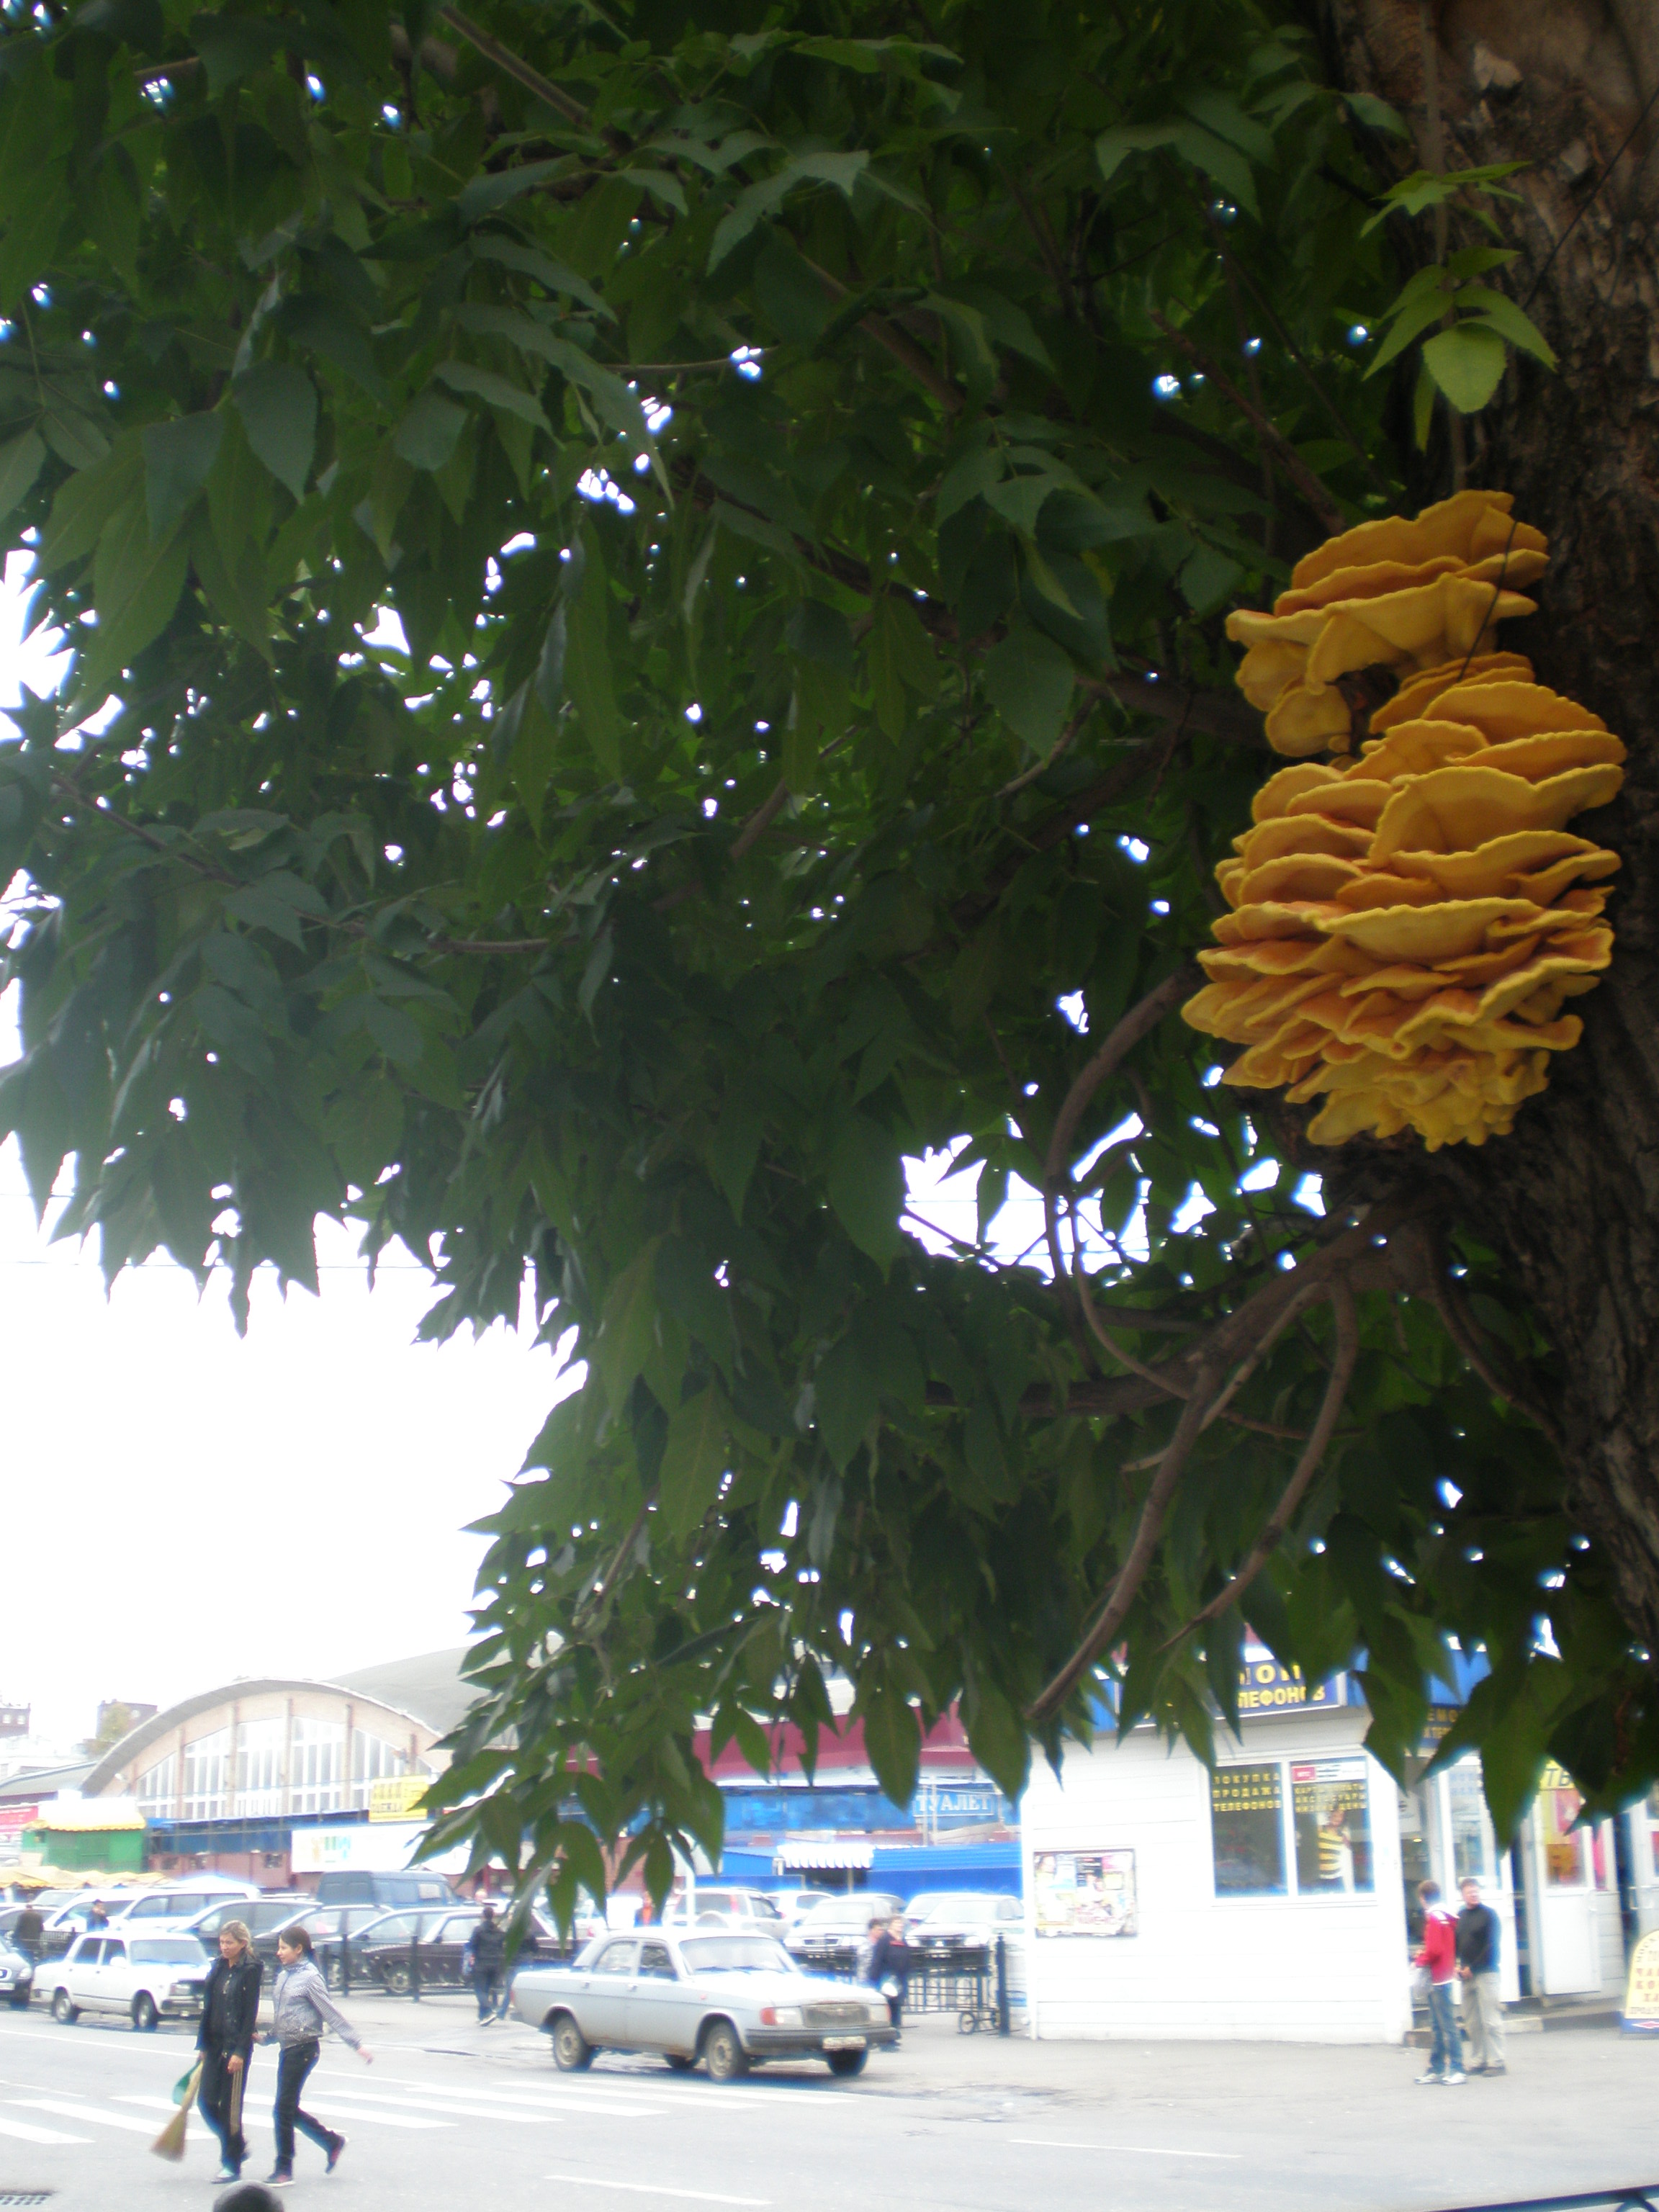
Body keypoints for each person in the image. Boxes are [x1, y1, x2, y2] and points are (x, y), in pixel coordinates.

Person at [258, 1923, 372, 2188]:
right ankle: (332, 2142)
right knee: (288, 2109)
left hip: (304, 2049)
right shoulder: (283, 1976)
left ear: (298, 1949)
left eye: (283, 1948)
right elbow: (283, 2017)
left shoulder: (310, 1978)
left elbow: (330, 2012)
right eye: (278, 1948)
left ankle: (284, 2168)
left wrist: (356, 2044)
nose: (278, 1953)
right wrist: (266, 2038)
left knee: (282, 2109)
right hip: (288, 2049)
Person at [197, 1920, 263, 2180]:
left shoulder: (251, 1969)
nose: (224, 1947)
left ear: (242, 1944)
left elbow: (249, 2014)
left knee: (230, 2109)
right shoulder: (218, 1967)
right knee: (206, 2102)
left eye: (229, 1943)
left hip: (235, 2047)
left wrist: (240, 2052)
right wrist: (202, 2044)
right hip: (214, 2044)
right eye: (222, 1942)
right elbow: (209, 2007)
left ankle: (231, 2164)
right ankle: (237, 2145)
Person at [1413, 1880, 1466, 2085]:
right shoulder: (1446, 1917)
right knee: (1442, 2025)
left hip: (1437, 1978)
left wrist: (1419, 1960)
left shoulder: (1434, 1918)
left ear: (1423, 1898)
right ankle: (1439, 2067)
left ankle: (1455, 2068)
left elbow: (1434, 1950)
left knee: (1443, 2026)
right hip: (1445, 1975)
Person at [1456, 1876, 1506, 2075]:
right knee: (1472, 2022)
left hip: (1486, 1973)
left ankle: (1497, 2062)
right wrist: (1456, 1966)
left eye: (1476, 1891)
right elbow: (1455, 1944)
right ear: (1463, 1895)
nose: (1474, 1894)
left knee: (1490, 2020)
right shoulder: (1460, 1916)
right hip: (1466, 1976)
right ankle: (1479, 2060)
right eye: (1469, 1892)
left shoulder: (1489, 1915)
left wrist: (1473, 1966)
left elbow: (1492, 1946)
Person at [463, 1903, 507, 2022]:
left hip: (481, 1964)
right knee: (487, 1989)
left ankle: (488, 2010)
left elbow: (472, 1945)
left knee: (479, 1990)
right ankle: (482, 2015)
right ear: (493, 1916)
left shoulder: (478, 1930)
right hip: (496, 1965)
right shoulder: (500, 1932)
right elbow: (502, 1946)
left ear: (483, 1916)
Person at [12, 1897, 42, 1962]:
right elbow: (41, 1928)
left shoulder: (23, 1916)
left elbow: (18, 1927)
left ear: (26, 1908)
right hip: (34, 1939)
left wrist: (14, 1936)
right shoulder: (38, 1916)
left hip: (24, 1939)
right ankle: (32, 1962)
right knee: (31, 1953)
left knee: (23, 1953)